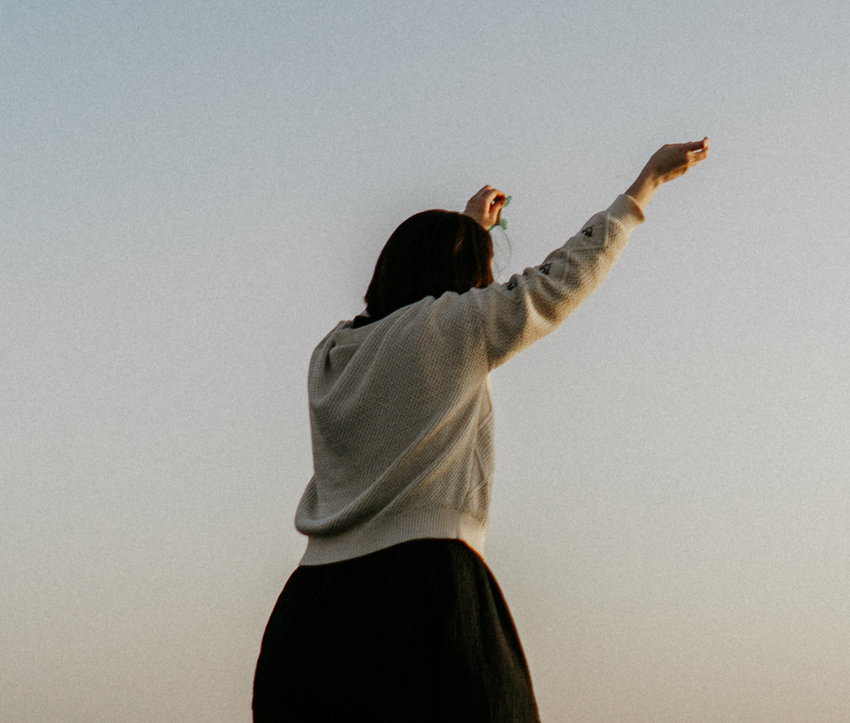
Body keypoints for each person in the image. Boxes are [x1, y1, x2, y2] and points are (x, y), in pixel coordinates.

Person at [252, 139, 709, 722]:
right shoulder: (456, 326)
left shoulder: (331, 353)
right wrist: (645, 185)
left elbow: (414, 304)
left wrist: (468, 231)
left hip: (310, 614)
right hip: (425, 592)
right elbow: (558, 280)